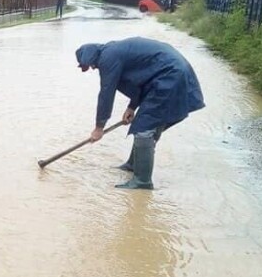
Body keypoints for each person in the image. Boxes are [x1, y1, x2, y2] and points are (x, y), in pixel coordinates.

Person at [75, 37, 205, 190]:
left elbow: (106, 93)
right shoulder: (112, 52)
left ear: (91, 57)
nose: (93, 68)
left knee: (145, 127)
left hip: (170, 76)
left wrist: (99, 127)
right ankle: (134, 165)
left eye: (90, 65)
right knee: (146, 122)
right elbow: (140, 81)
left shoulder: (107, 58)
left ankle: (142, 181)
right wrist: (132, 107)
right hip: (168, 74)